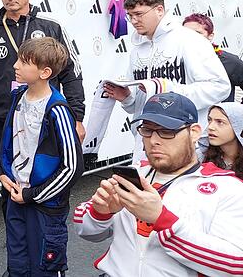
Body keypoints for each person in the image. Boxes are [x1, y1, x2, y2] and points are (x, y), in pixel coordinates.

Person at [74, 92, 243, 276]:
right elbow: (85, 230)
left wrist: (161, 219)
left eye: (166, 131)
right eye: (147, 130)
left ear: (193, 132)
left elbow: (235, 265)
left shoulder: (226, 187)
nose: (154, 141)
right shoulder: (134, 173)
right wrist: (101, 212)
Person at [0, 0, 86, 160]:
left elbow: (71, 74)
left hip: (44, 117)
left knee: (44, 175)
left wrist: (77, 118)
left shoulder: (51, 28)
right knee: (7, 178)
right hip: (4, 119)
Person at [0, 38, 83, 277]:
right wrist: (3, 173)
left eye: (24, 62)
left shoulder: (58, 109)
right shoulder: (18, 98)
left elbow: (72, 167)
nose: (15, 65)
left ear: (45, 72)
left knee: (44, 268)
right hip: (16, 197)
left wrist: (32, 195)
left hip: (45, 208)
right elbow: (10, 141)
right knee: (17, 265)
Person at [102, 0, 230, 145]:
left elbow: (220, 86)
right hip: (147, 141)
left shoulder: (189, 40)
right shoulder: (137, 49)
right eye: (130, 15)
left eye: (139, 14)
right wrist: (126, 98)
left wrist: (169, 92)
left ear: (159, 10)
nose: (134, 21)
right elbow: (138, 105)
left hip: (185, 141)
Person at [182, 13, 243, 102]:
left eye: (197, 33)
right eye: (186, 33)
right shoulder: (174, 59)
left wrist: (236, 111)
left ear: (210, 36)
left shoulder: (229, 61)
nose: (190, 37)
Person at [205, 103, 243, 178]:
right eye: (209, 120)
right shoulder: (202, 156)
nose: (210, 127)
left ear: (238, 126)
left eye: (220, 122)